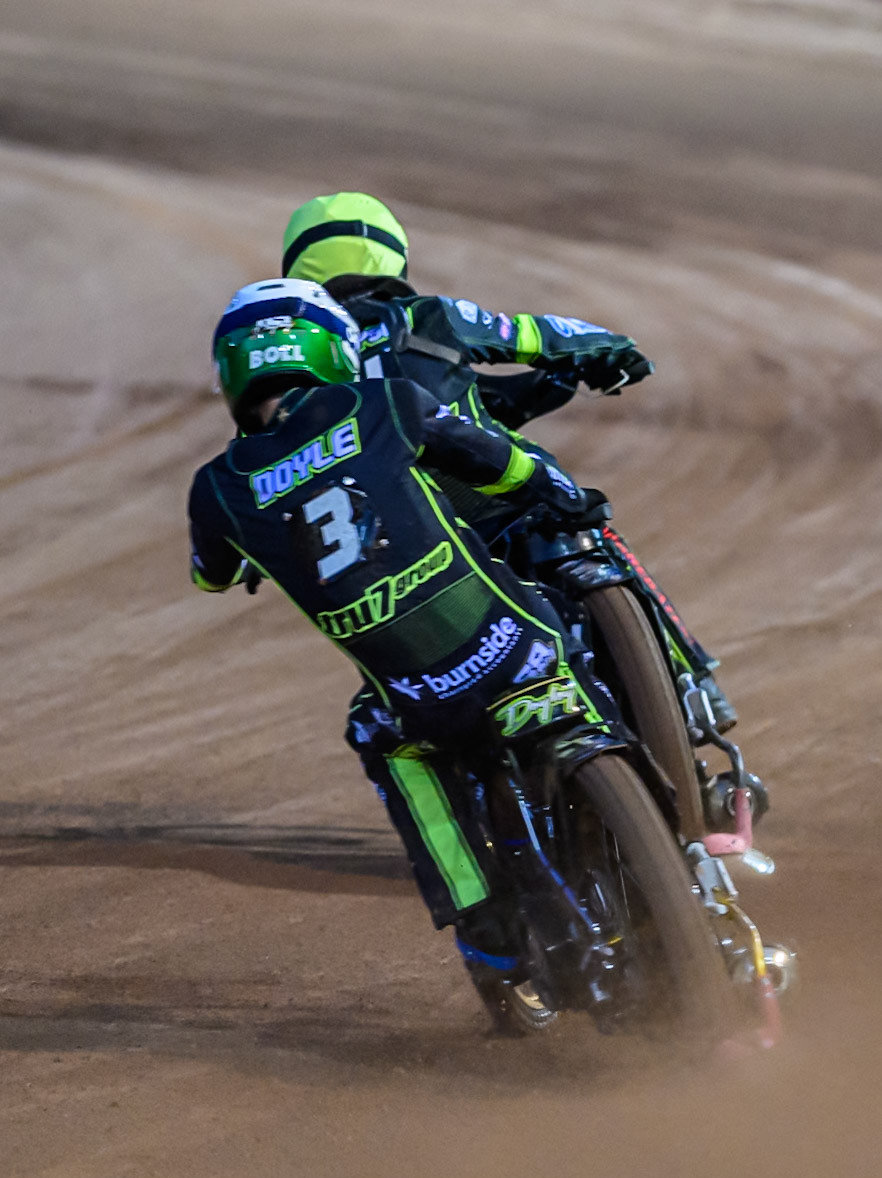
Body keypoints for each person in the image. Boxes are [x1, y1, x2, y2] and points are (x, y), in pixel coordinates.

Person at [188, 277, 611, 993]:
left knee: (382, 741)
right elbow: (503, 464)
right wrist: (565, 496)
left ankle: (488, 933)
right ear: (332, 349)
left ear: (232, 370)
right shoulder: (379, 401)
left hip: (419, 700)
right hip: (517, 644)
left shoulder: (219, 485)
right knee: (572, 619)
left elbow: (212, 575)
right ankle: (674, 826)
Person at [281, 191, 736, 732]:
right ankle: (693, 682)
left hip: (407, 550)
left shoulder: (301, 366)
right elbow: (537, 340)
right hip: (503, 497)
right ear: (393, 257)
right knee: (595, 533)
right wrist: (611, 349)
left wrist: (554, 387)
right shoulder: (428, 316)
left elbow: (454, 415)